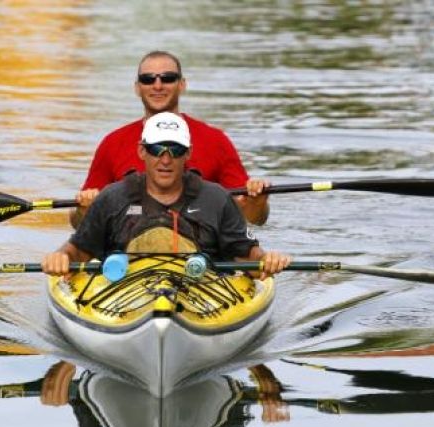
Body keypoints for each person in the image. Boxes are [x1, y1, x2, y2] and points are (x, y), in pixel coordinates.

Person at [43, 112, 289, 277]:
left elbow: (248, 256)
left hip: (203, 292)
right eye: (157, 149)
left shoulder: (217, 199)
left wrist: (267, 260)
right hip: (122, 294)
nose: (166, 159)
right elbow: (77, 250)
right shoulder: (113, 198)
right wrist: (61, 257)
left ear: (188, 153)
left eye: (176, 149)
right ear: (142, 151)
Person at [70, 50, 270, 228]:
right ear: (137, 88)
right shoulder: (112, 143)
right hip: (129, 254)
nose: (157, 86)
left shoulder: (216, 141)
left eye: (167, 78)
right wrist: (82, 210)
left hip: (200, 256)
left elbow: (255, 218)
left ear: (182, 84)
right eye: (148, 79)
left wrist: (258, 202)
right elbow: (78, 222)